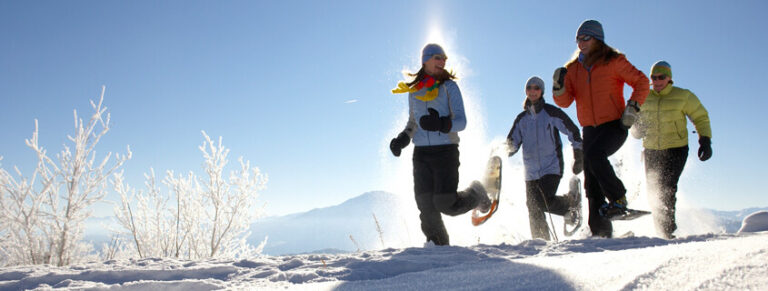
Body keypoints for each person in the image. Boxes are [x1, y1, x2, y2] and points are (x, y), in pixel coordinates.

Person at [551, 20, 650, 238]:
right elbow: (566, 102)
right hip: (590, 129)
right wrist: (558, 88)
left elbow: (642, 82)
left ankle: (618, 198)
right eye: (578, 38)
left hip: (615, 124)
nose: (581, 42)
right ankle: (600, 232)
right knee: (591, 181)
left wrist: (632, 108)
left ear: (598, 39)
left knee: (595, 157)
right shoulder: (573, 69)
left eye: (586, 38)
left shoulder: (613, 61)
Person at [389, 43, 491, 246]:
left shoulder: (449, 87)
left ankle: (476, 193)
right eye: (438, 57)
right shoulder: (414, 90)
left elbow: (461, 121)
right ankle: (439, 248)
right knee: (425, 205)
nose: (442, 61)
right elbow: (413, 123)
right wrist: (402, 139)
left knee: (446, 203)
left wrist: (441, 124)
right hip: (421, 154)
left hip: (445, 150)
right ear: (425, 60)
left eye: (444, 58)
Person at [631, 60, 712, 239]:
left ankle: (667, 230)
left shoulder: (683, 96)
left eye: (661, 77)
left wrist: (704, 140)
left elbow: (700, 117)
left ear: (669, 78)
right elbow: (634, 122)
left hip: (676, 148)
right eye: (654, 77)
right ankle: (662, 230)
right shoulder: (644, 96)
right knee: (653, 190)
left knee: (667, 187)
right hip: (651, 149)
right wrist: (637, 130)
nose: (657, 81)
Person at [506, 76, 584, 241]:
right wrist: (501, 152)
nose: (533, 91)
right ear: (526, 92)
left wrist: (578, 154)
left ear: (541, 91)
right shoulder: (522, 119)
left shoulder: (550, 112)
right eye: (530, 88)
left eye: (536, 88)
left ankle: (569, 203)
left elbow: (572, 130)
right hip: (531, 172)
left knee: (542, 201)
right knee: (533, 208)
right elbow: (512, 143)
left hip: (551, 167)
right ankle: (541, 242)